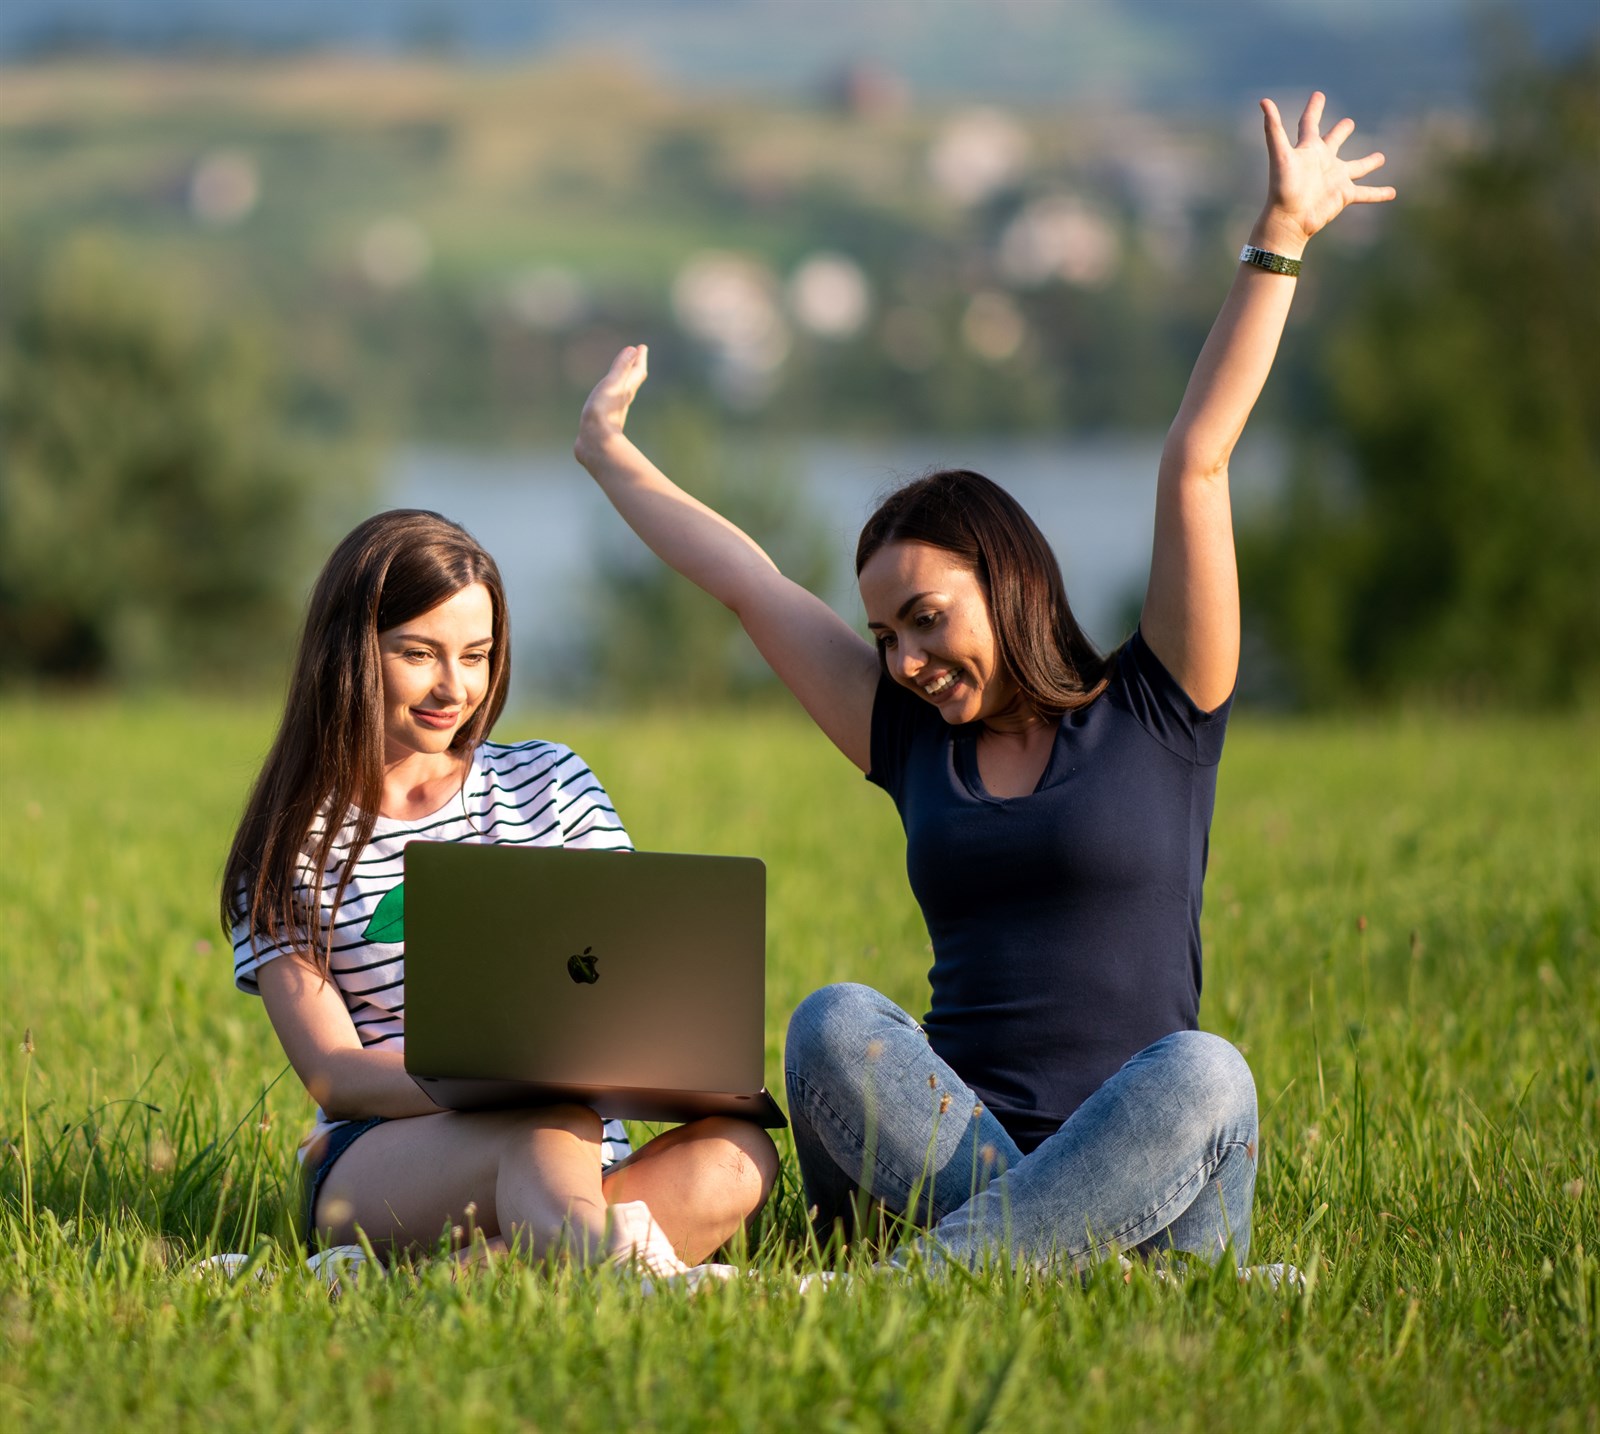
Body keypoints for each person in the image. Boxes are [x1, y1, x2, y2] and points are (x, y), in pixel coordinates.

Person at [573, 93, 1394, 1273]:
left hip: (1155, 1173)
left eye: (927, 620)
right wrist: (611, 457)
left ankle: (937, 1279)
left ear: (1007, 583)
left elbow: (1196, 457)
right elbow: (748, 584)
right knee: (831, 1023)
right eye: (882, 633)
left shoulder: (1160, 706)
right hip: (946, 1159)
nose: (904, 659)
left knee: (1206, 1072)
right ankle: (1061, 1267)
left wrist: (1281, 236)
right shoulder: (910, 741)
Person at [222, 509, 777, 1280]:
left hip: (588, 1146)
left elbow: (628, 974)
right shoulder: (293, 845)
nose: (455, 687)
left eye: (477, 656)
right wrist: (496, 1083)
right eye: (419, 654)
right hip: (389, 1156)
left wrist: (676, 1058)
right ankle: (633, 1280)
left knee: (739, 1152)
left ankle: (451, 1283)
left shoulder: (552, 783)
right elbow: (333, 1073)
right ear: (350, 653)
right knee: (540, 1124)